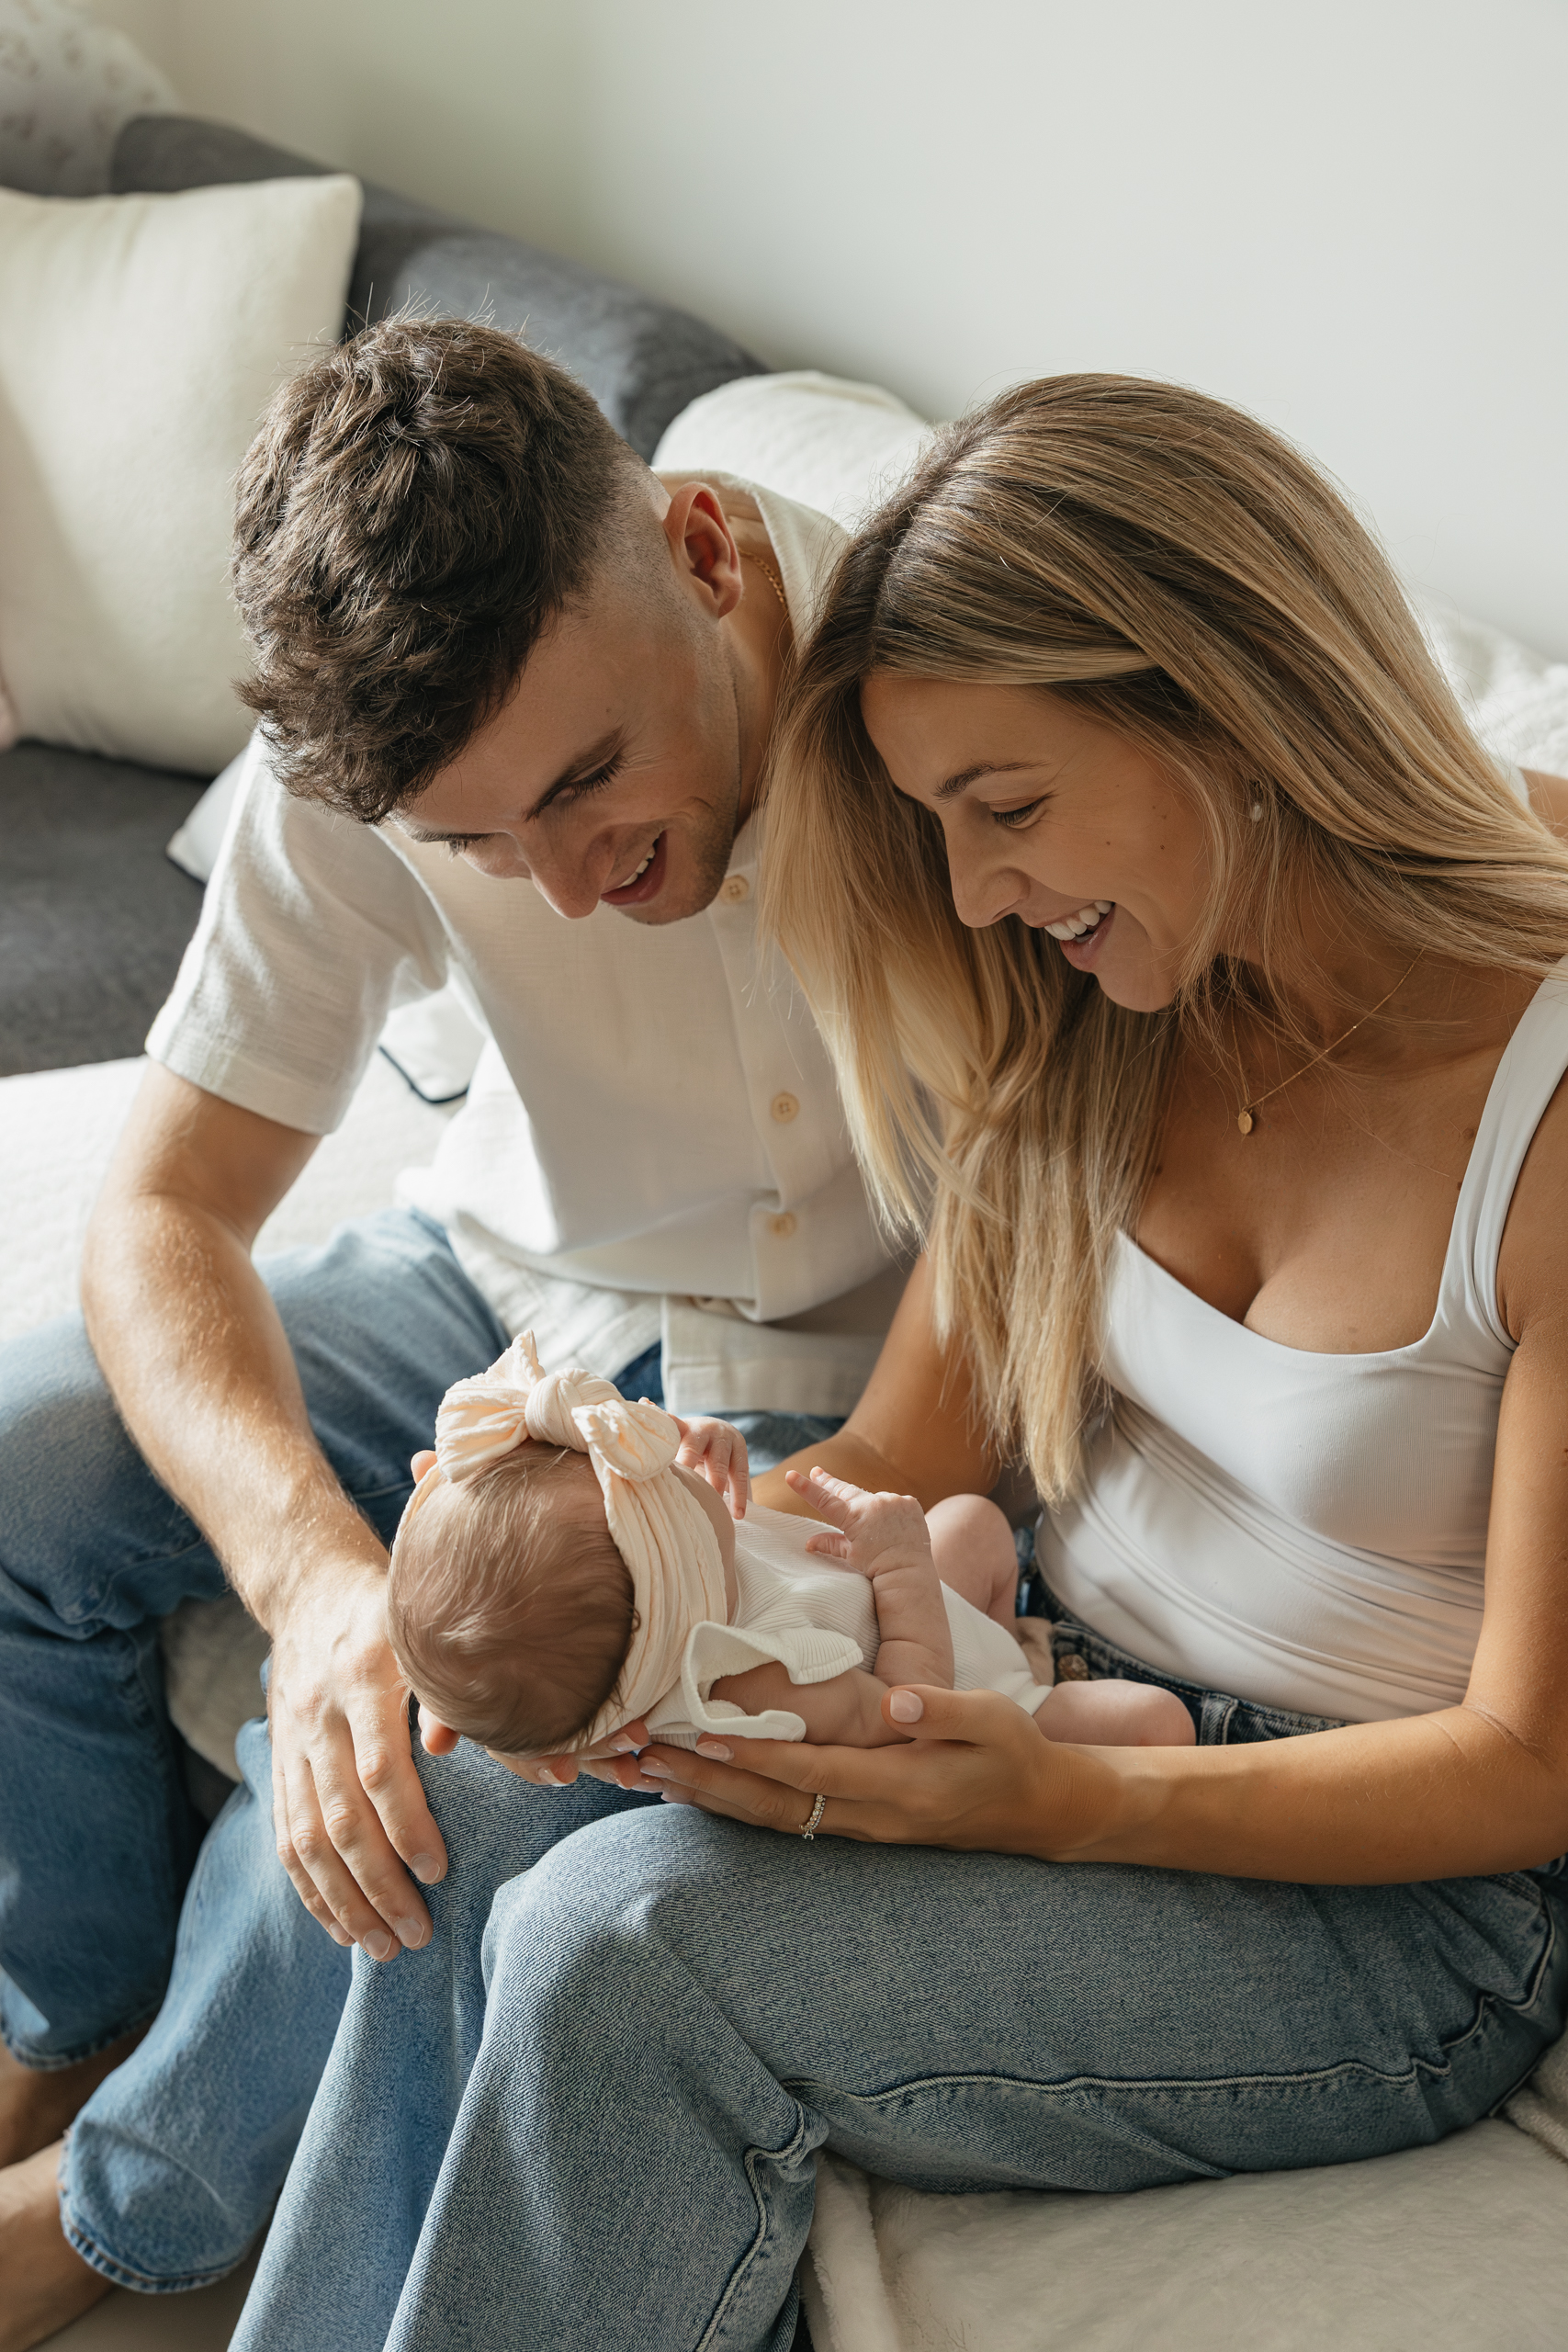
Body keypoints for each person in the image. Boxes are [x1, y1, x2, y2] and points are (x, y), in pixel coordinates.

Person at [223, 373, 1568, 2352]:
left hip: (1388, 1893)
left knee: (625, 1951)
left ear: (1228, 697)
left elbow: (1528, 1766)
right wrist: (624, 1538)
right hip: (1028, 1661)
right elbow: (888, 1457)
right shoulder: (1103, 991)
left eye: (1002, 808)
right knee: (481, 1790)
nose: (973, 895)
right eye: (937, 824)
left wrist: (1059, 1800)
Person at [0, 314, 936, 2347]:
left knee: (460, 1724)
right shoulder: (369, 751)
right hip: (512, 1281)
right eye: (480, 846)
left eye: (589, 782)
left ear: (695, 547)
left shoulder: (941, 651)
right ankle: (63, 2018)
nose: (564, 889)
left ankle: (108, 2212)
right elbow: (164, 1208)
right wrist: (313, 1583)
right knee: (25, 1459)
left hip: (836, 1371)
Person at [385, 1335, 1191, 1756]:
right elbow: (913, 1725)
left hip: (903, 1610)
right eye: (663, 1481)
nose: (672, 1456)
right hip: (992, 1712)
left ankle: (1021, 1637)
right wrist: (904, 1571)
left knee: (975, 1523)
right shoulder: (761, 1683)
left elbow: (668, 1517)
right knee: (1156, 1724)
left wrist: (699, 1445)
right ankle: (1037, 1674)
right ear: (667, 1584)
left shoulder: (658, 1600)